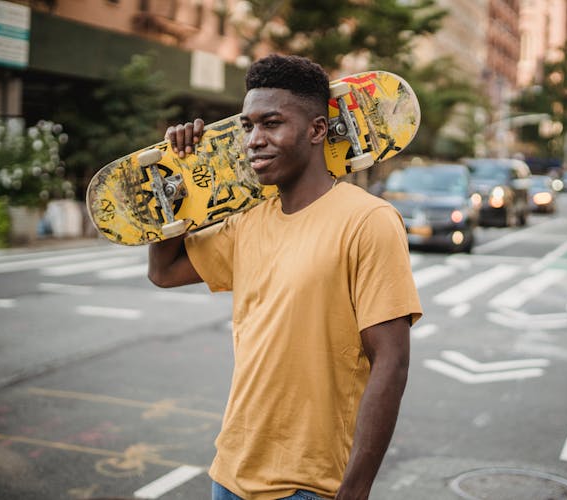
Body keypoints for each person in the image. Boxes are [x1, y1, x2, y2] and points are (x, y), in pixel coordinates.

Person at [147, 54, 422, 500]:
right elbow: (163, 272)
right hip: (230, 473)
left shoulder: (367, 219)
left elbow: (392, 362)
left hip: (309, 484)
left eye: (271, 123)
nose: (254, 140)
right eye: (247, 126)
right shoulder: (248, 221)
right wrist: (178, 176)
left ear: (316, 130)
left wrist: (354, 492)